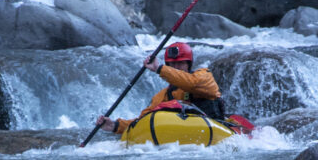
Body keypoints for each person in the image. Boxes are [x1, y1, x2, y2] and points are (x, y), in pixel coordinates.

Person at [95, 42, 225, 135]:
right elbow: (142, 122)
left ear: (188, 64)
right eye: (172, 64)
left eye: (181, 63)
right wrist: (115, 126)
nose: (176, 67)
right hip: (186, 135)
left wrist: (159, 68)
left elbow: (192, 83)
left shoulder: (204, 77)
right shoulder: (164, 95)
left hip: (213, 129)